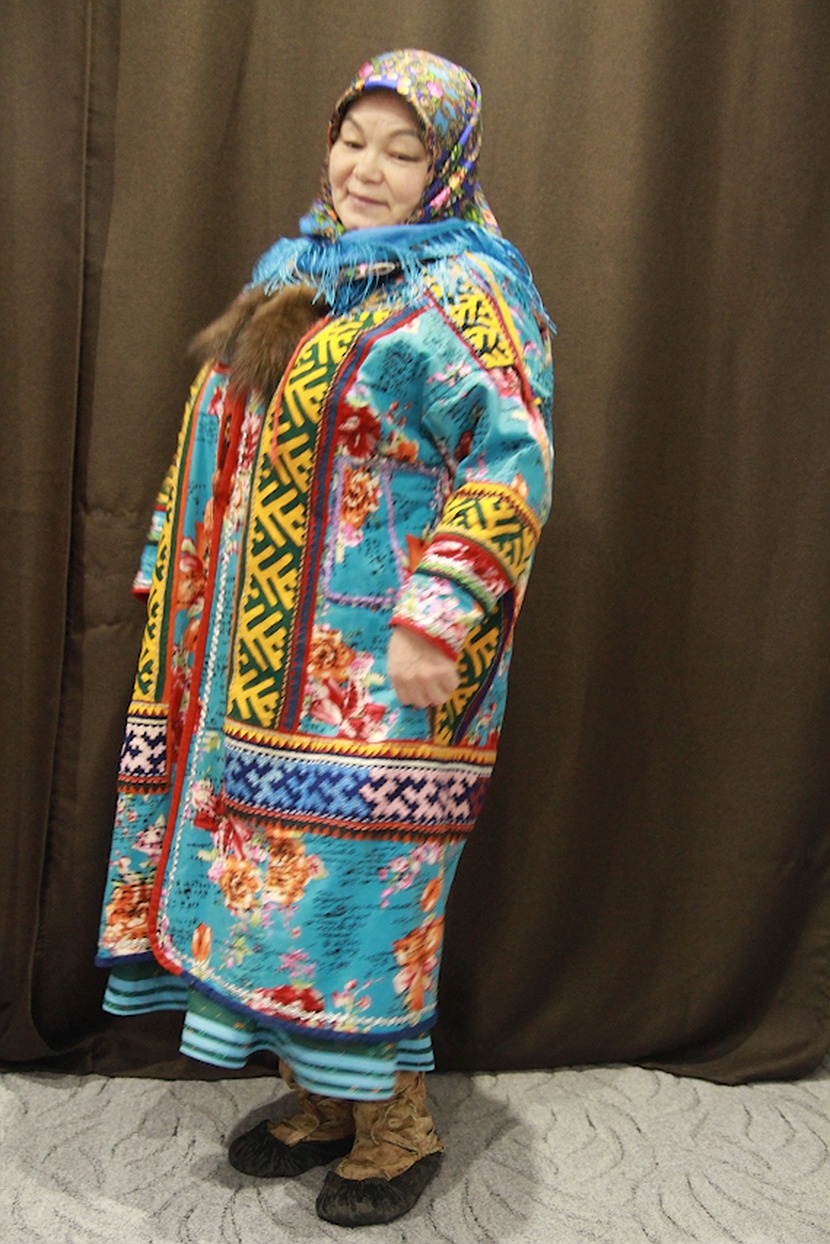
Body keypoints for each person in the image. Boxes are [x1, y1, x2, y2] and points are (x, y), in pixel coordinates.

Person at [96, 48, 554, 1228]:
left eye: (402, 151)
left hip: (379, 672)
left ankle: (396, 1122)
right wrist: (169, 558)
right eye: (352, 140)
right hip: (246, 665)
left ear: (444, 170)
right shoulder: (296, 268)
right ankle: (320, 1099)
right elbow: (220, 427)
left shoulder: (469, 297)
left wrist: (438, 615)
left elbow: (510, 465)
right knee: (267, 891)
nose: (365, 169)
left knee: (352, 899)